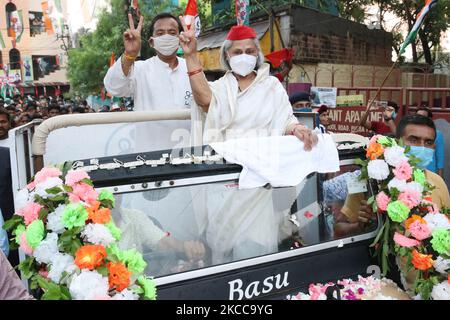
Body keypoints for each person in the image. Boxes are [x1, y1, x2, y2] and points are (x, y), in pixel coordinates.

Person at [179, 23, 318, 263]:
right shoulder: (220, 88)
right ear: (227, 56)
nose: (244, 56)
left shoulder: (272, 86)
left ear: (257, 55)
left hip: (259, 184)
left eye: (250, 51)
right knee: (221, 252)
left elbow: (286, 120)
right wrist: (191, 56)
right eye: (237, 52)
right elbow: (204, 101)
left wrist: (297, 129)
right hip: (225, 181)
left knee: (255, 249)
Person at [335, 115, 450, 237]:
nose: (422, 147)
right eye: (414, 140)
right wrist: (361, 225)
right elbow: (338, 229)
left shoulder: (437, 182)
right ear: (397, 142)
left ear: (434, 147)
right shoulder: (372, 180)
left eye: (428, 142)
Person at [104, 12, 192, 152]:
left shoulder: (192, 68)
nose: (166, 36)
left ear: (179, 39)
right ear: (152, 42)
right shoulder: (140, 69)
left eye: (172, 32)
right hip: (150, 155)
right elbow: (113, 87)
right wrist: (129, 55)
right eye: (160, 33)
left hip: (190, 154)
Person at [416, 107, 444, 177]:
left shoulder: (437, 134)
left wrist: (440, 179)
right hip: (414, 172)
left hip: (430, 172)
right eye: (417, 116)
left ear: (429, 119)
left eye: (422, 117)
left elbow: (440, 159)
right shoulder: (411, 133)